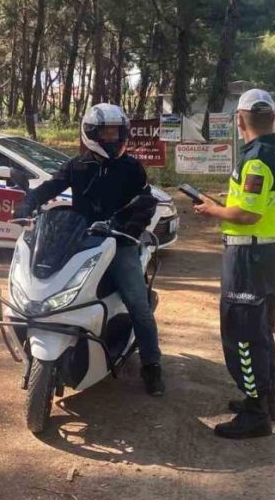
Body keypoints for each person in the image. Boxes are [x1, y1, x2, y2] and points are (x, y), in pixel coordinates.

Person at [14, 103, 165, 396]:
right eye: (107, 132)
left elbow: (146, 203)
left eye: (117, 132)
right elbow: (50, 188)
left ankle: (152, 365)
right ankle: (43, 355)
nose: (113, 138)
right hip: (81, 243)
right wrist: (27, 204)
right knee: (48, 294)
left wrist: (131, 228)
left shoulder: (132, 167)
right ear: (92, 133)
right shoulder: (77, 166)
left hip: (120, 243)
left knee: (138, 304)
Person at [193, 89, 275, 439]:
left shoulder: (256, 160)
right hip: (264, 252)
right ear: (273, 118)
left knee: (242, 334)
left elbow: (248, 213)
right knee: (260, 328)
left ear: (239, 119)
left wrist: (213, 210)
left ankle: (256, 413)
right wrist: (225, 207)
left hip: (247, 256)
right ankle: (266, 398)